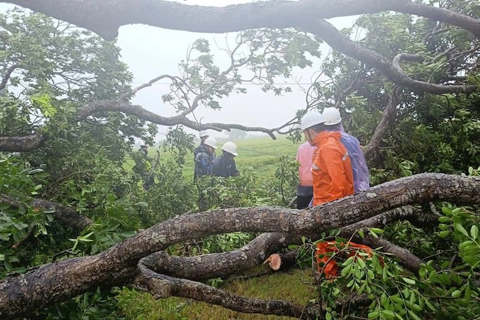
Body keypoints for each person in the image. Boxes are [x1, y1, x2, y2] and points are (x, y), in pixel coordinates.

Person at [300, 111, 354, 206]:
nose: (305, 138)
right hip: (325, 204)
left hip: (328, 206)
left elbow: (338, 184)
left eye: (305, 134)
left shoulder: (327, 148)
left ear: (311, 132)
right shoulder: (327, 144)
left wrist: (332, 211)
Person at [322, 107, 370, 193]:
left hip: (333, 193)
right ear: (340, 122)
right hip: (357, 188)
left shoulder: (321, 143)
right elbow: (361, 165)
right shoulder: (352, 141)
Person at [296, 137, 316, 209]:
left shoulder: (301, 147)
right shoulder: (319, 146)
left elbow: (297, 164)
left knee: (302, 211)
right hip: (315, 182)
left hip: (302, 183)